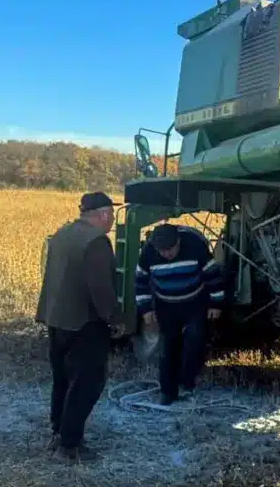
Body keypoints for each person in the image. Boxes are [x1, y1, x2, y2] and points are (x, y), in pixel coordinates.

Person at [35, 191, 125, 465]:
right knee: (87, 383)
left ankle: (58, 433)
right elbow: (100, 288)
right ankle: (68, 447)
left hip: (56, 319)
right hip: (84, 324)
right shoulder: (96, 242)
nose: (111, 221)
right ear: (103, 214)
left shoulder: (63, 233)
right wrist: (115, 318)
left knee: (63, 379)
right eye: (110, 215)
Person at [134, 223, 225, 406]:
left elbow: (212, 274)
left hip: (194, 302)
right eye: (163, 251)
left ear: (179, 242)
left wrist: (216, 303)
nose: (167, 254)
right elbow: (140, 282)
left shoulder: (195, 246)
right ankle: (167, 392)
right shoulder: (149, 253)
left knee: (195, 340)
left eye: (170, 249)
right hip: (166, 304)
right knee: (168, 347)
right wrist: (146, 310)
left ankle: (187, 382)